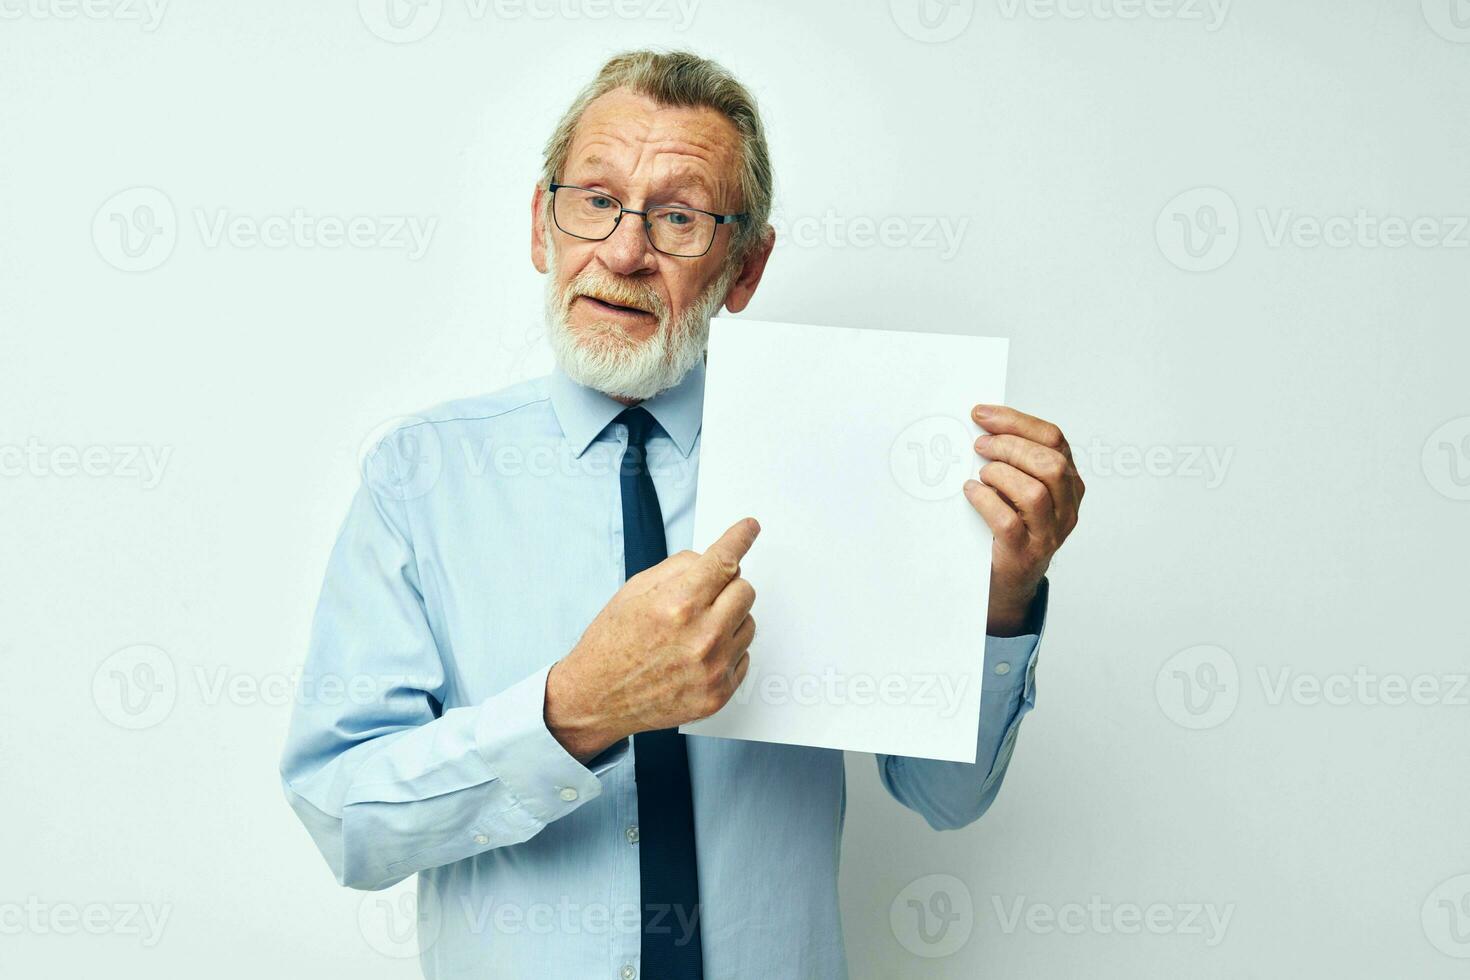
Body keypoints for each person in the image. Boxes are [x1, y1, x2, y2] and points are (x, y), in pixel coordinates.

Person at [279, 48, 1084, 980]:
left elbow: (946, 799)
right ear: (543, 226)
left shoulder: (847, 461)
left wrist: (1000, 601)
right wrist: (572, 709)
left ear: (745, 267)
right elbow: (346, 818)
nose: (624, 251)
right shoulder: (419, 476)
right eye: (594, 200)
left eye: (678, 217)